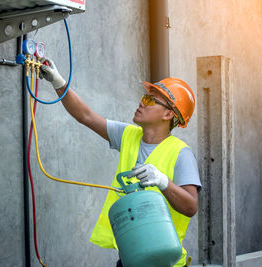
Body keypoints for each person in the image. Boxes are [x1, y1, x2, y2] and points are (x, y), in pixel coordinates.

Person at [39, 57, 201, 267]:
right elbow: (86, 116)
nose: (142, 102)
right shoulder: (128, 135)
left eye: (151, 101)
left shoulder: (181, 154)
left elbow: (191, 206)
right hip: (131, 258)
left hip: (165, 262)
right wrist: (58, 81)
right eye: (145, 97)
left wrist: (163, 182)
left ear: (169, 114)